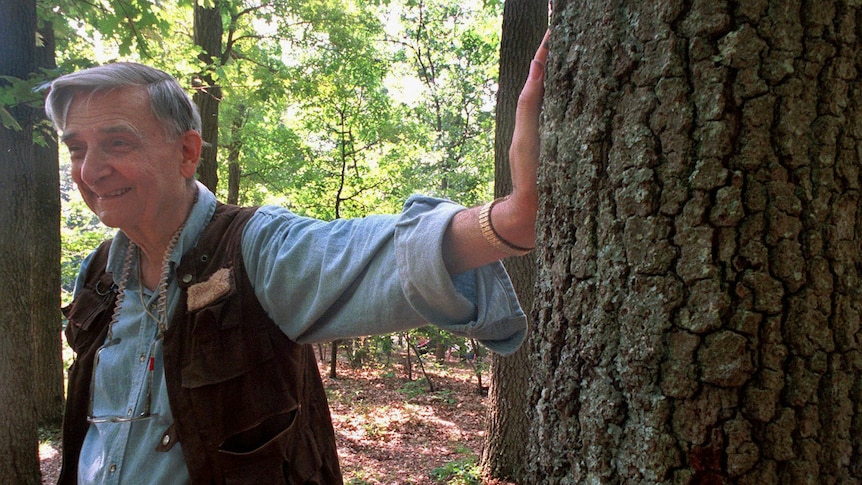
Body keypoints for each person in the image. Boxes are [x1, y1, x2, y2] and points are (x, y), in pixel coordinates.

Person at [49, 30, 550, 484]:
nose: (91, 171)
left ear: (186, 153)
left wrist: (509, 221)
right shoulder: (98, 274)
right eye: (76, 149)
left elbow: (372, 252)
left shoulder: (254, 250)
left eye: (117, 143)